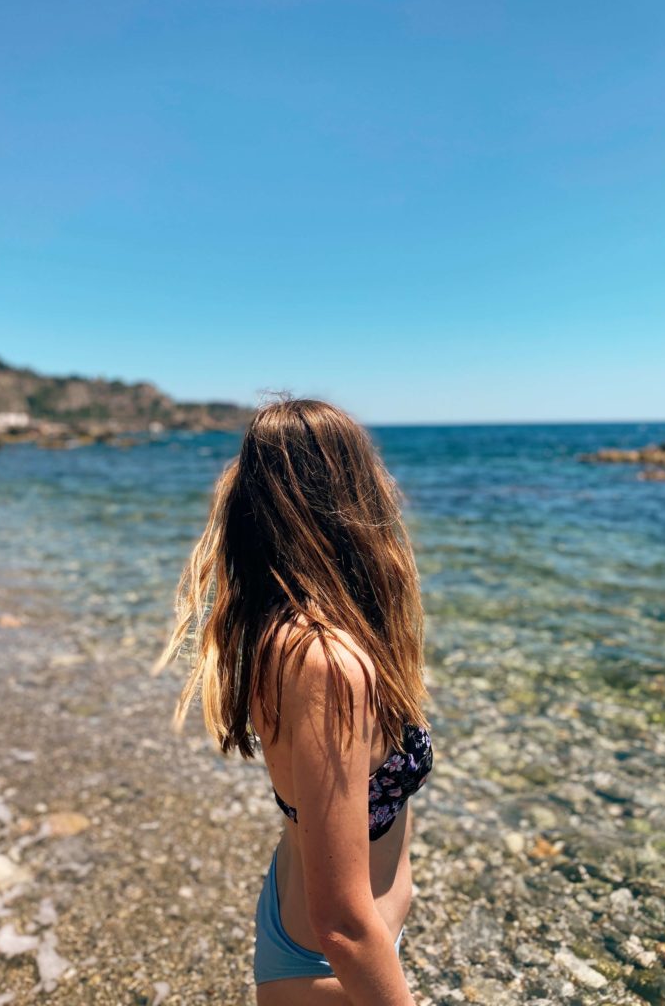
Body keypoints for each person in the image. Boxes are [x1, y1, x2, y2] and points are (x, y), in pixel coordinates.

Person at [152, 396, 434, 1006]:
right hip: (332, 964)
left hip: (333, 943)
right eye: (371, 470)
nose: (388, 484)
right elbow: (340, 919)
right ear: (349, 496)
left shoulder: (286, 628)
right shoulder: (325, 660)